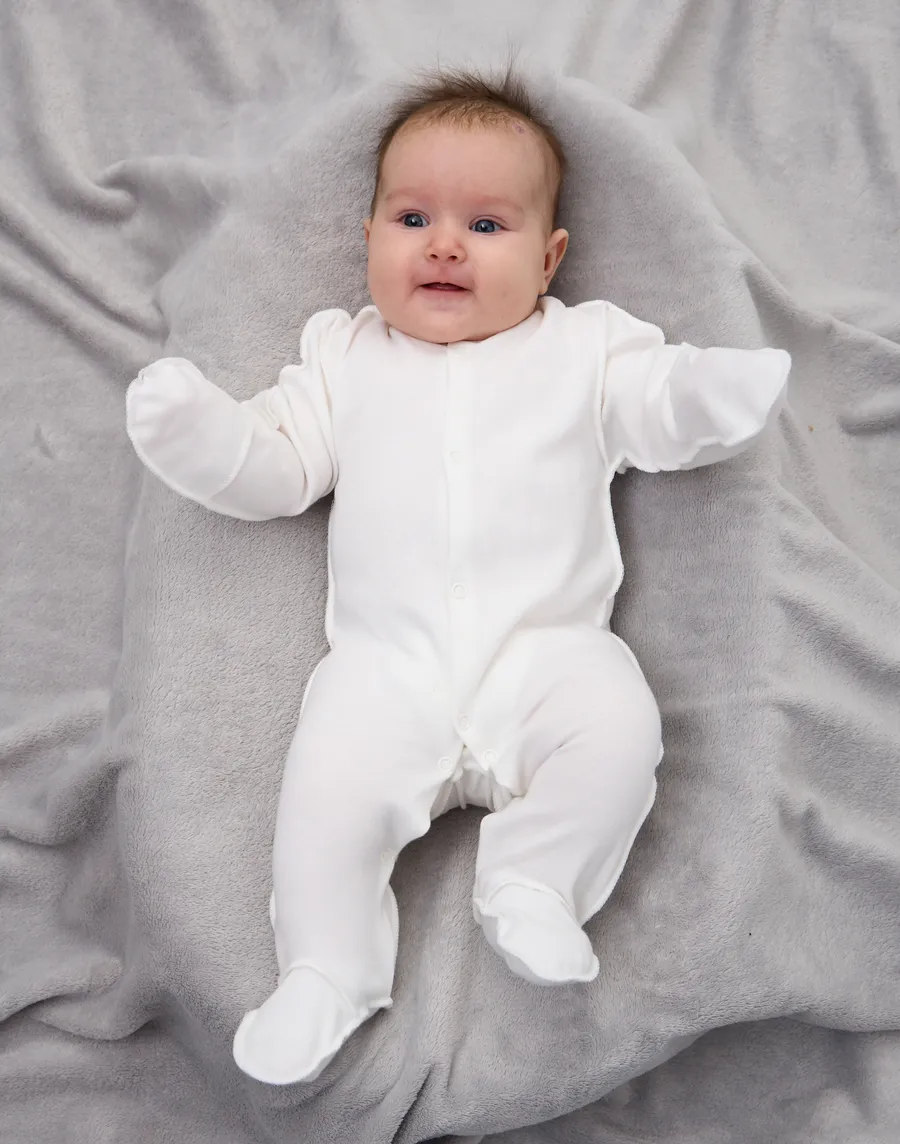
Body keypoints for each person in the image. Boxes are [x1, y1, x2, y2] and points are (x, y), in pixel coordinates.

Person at [126, 65, 791, 1085]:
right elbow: (282, 464)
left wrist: (708, 392)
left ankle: (536, 877)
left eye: (485, 225)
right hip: (386, 668)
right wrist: (205, 439)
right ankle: (325, 969)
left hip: (548, 653)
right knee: (323, 801)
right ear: (368, 240)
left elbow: (655, 409)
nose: (444, 244)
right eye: (413, 219)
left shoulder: (585, 349)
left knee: (619, 733)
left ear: (549, 257)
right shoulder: (345, 356)